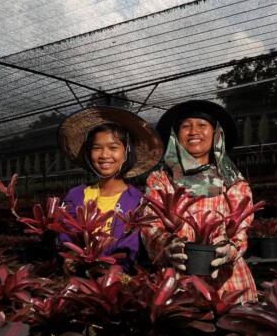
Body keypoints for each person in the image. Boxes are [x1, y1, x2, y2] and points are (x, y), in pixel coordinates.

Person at [141, 100, 258, 303]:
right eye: (185, 126)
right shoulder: (161, 179)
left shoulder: (232, 181)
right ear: (176, 136)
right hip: (178, 278)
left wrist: (231, 248)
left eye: (202, 125)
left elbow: (241, 227)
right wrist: (167, 245)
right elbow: (150, 224)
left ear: (216, 133)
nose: (194, 131)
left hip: (227, 282)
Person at [56, 106, 163, 271]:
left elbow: (130, 250)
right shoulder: (76, 195)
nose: (104, 155)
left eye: (113, 148)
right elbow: (65, 235)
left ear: (126, 152)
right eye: (97, 148)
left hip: (116, 280)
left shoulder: (137, 201)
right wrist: (72, 257)